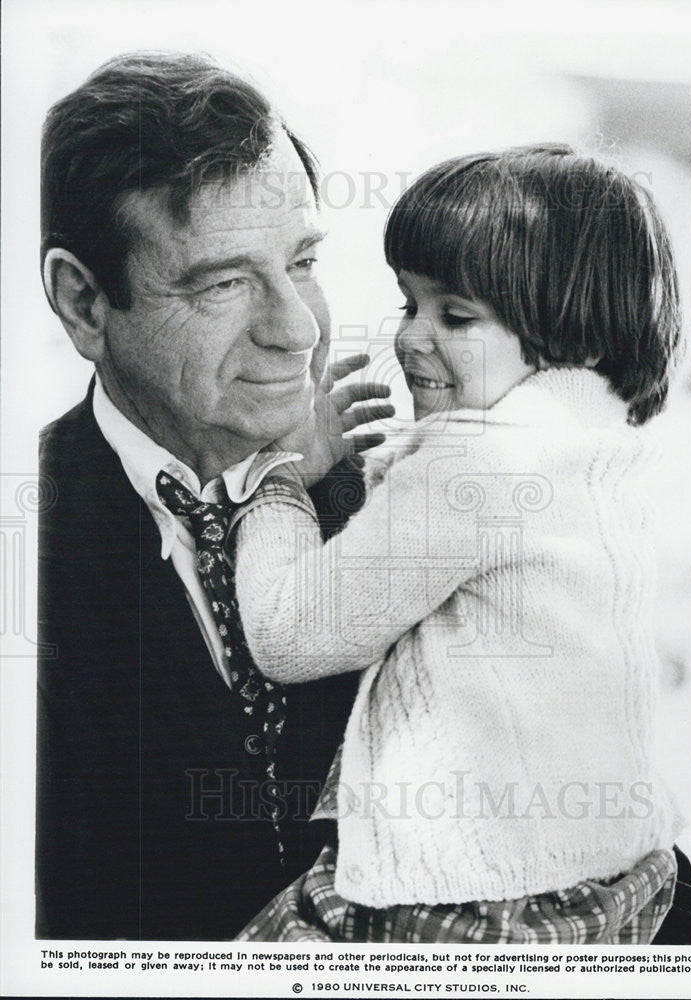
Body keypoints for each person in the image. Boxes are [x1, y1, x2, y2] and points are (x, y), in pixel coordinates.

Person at [232, 145, 691, 943]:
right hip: (604, 875)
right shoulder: (593, 447)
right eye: (408, 304)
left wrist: (277, 475)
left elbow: (289, 634)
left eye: (455, 317)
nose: (411, 337)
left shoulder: (477, 462)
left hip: (464, 898)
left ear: (571, 330)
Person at [36, 51, 393, 940]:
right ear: (84, 304)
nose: (298, 328)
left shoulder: (398, 505)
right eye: (224, 282)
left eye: (303, 260)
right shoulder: (30, 538)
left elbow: (644, 881)